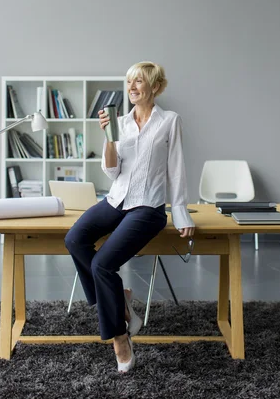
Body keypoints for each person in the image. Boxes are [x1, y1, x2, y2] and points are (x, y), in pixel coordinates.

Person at [64, 61, 195, 373]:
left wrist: (181, 212)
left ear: (154, 87)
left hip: (148, 208)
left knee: (102, 264)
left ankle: (120, 338)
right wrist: (108, 138)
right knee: (74, 239)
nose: (132, 88)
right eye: (129, 82)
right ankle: (121, 303)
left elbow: (176, 169)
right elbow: (112, 171)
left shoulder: (169, 121)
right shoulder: (122, 122)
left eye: (139, 82)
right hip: (116, 199)